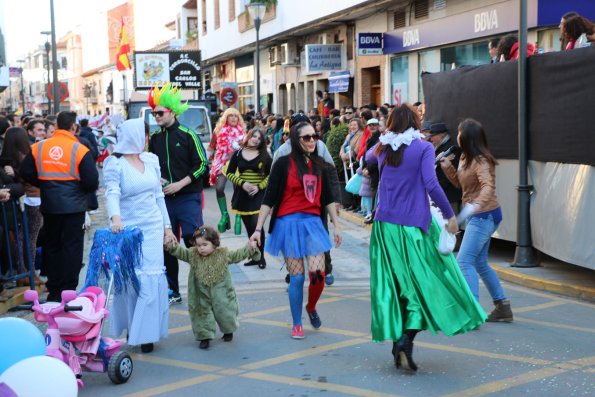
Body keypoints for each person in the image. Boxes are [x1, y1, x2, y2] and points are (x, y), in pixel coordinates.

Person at [366, 104, 486, 372]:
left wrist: (382, 140)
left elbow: (367, 160)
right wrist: (449, 215)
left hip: (385, 228)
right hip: (414, 228)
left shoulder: (384, 147)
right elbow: (431, 184)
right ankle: (405, 340)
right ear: (415, 123)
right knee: (427, 284)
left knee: (398, 287)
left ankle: (401, 339)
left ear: (391, 124)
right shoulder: (422, 148)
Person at [250, 121, 342, 339]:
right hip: (287, 224)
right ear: (295, 140)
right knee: (298, 278)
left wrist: (337, 225)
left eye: (314, 136)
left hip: (312, 223)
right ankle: (297, 323)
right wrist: (257, 229)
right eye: (306, 137)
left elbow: (328, 198)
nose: (312, 141)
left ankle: (311, 306)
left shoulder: (319, 164)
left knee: (318, 274)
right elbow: (269, 198)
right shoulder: (282, 164)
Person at [104, 118, 175, 353]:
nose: (146, 139)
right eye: (143, 135)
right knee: (130, 279)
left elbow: (159, 196)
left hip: (153, 227)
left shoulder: (151, 160)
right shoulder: (114, 164)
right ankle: (131, 326)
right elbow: (112, 193)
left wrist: (167, 227)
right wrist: (116, 219)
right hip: (128, 230)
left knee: (151, 278)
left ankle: (147, 333)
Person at [20, 111, 99, 302]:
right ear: (73, 127)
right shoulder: (79, 149)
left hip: (50, 205)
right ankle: (68, 290)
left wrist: (45, 184)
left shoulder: (39, 147)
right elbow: (91, 181)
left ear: (56, 125)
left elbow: (25, 171)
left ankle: (54, 289)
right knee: (72, 247)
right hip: (74, 207)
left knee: (52, 246)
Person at [440, 118, 513, 323]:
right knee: (479, 263)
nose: (457, 136)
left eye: (460, 133)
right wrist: (448, 168)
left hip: (484, 215)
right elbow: (461, 186)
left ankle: (472, 311)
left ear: (467, 137)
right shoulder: (465, 157)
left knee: (463, 261)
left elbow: (488, 186)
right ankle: (502, 307)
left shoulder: (481, 160)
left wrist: (478, 204)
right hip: (478, 214)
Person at [148, 83, 209, 305]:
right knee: (168, 245)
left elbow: (203, 165)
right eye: (154, 112)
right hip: (165, 201)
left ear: (172, 111)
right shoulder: (154, 138)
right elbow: (148, 167)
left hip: (188, 197)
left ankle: (203, 283)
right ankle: (173, 290)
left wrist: (179, 184)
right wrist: (158, 179)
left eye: (159, 112)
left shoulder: (187, 134)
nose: (156, 116)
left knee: (193, 239)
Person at [167, 225, 260, 349]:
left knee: (225, 313)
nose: (201, 248)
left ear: (214, 244)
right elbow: (181, 252)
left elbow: (238, 254)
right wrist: (170, 245)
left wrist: (250, 248)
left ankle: (228, 331)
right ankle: (204, 337)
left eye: (205, 245)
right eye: (198, 245)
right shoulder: (192, 254)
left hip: (222, 293)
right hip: (200, 294)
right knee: (201, 314)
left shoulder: (223, 254)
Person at [224, 129, 272, 268]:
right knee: (250, 228)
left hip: (259, 195)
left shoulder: (265, 155)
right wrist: (242, 183)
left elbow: (271, 175)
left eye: (259, 138)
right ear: (248, 137)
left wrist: (259, 187)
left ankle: (261, 257)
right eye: (253, 136)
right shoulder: (238, 154)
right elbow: (229, 173)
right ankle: (254, 256)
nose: (256, 139)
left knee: (257, 226)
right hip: (242, 196)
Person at [207, 108, 247, 234]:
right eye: (231, 116)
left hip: (237, 164)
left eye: (236, 116)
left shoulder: (243, 133)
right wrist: (202, 160)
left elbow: (249, 147)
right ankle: (224, 215)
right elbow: (211, 147)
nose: (234, 118)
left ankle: (238, 216)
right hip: (221, 162)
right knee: (219, 188)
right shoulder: (218, 130)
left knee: (237, 189)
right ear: (226, 118)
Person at [428, 122, 462, 214]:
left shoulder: (450, 149)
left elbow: (451, 173)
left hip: (450, 195)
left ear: (441, 135)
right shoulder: (439, 148)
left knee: (450, 223)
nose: (431, 139)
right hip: (442, 193)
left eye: (433, 136)